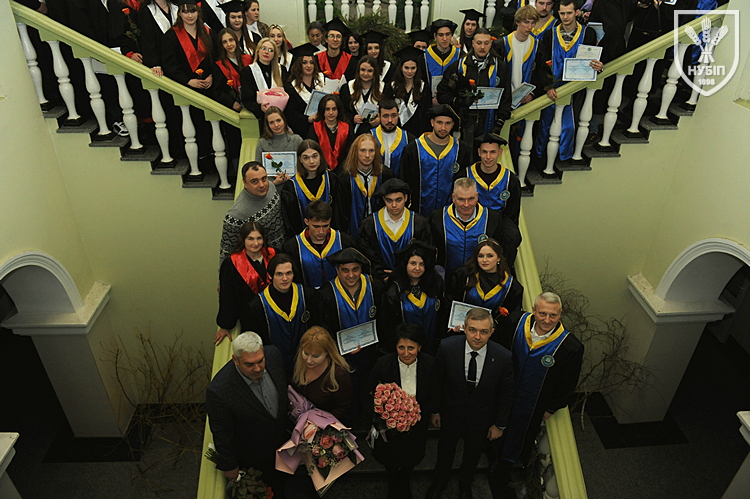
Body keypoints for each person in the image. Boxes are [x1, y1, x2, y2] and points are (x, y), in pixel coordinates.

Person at [494, 292, 583, 494]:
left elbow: (568, 383)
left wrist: (551, 408)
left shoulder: (570, 347)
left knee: (520, 436)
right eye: (542, 313)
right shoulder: (515, 322)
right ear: (534, 310)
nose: (547, 320)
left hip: (533, 404)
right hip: (504, 393)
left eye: (553, 315)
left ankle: (503, 467)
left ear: (560, 314)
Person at [426, 307, 514, 499]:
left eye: (484, 331)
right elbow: (437, 382)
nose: (477, 336)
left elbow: (506, 394)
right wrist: (435, 411)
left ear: (491, 332)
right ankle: (440, 482)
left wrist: (499, 424)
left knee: (472, 455)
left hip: (481, 418)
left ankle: (465, 485)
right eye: (472, 330)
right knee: (445, 450)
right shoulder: (447, 348)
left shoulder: (503, 357)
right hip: (450, 414)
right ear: (464, 328)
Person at [205, 332, 289, 495]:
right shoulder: (219, 391)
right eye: (249, 364)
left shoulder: (273, 355)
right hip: (255, 456)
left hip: (283, 443)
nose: (257, 368)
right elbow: (222, 433)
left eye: (260, 361)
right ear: (235, 360)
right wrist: (230, 466)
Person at [368, 323, 439, 499]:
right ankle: (393, 481)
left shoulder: (430, 364)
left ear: (419, 347)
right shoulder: (383, 364)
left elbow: (435, 392)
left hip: (417, 423)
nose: (406, 353)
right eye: (401, 347)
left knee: (412, 455)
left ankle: (405, 479)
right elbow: (369, 393)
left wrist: (422, 413)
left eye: (411, 348)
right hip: (388, 425)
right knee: (389, 456)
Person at [318, 247, 384, 425]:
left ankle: (369, 421)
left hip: (371, 353)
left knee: (370, 389)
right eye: (345, 270)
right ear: (337, 270)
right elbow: (324, 327)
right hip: (341, 356)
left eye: (355, 269)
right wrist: (340, 347)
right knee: (348, 392)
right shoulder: (326, 293)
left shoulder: (375, 287)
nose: (351, 275)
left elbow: (384, 320)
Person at [534, 0, 603, 169]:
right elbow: (542, 64)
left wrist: (599, 66)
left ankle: (565, 157)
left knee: (571, 124)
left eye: (569, 13)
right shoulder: (549, 35)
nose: (565, 17)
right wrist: (547, 86)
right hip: (553, 90)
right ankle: (541, 159)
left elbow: (592, 60)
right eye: (562, 13)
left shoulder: (588, 34)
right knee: (546, 125)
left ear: (577, 12)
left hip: (575, 89)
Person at [492, 7, 550, 177]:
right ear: (517, 22)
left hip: (525, 100)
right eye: (526, 22)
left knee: (522, 138)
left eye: (532, 23)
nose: (529, 27)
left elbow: (542, 75)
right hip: (502, 101)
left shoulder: (538, 46)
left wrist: (534, 94)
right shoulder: (501, 44)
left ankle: (517, 173)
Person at [428, 177, 521, 278]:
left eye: (471, 199)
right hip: (446, 279)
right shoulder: (437, 218)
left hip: (480, 281)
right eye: (461, 199)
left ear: (477, 197)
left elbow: (500, 253)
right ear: (453, 198)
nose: (466, 204)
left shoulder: (493, 219)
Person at [246, 254, 318, 375]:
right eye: (279, 274)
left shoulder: (308, 295)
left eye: (288, 273)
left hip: (307, 363)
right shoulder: (257, 306)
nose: (285, 278)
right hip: (274, 367)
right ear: (270, 275)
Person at [437, 28, 512, 143]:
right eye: (479, 43)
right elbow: (442, 95)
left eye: (486, 43)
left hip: (488, 123)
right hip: (462, 124)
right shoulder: (458, 67)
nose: (482, 47)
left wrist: (499, 123)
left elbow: (506, 98)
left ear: (491, 44)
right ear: (473, 43)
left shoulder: (500, 68)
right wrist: (460, 101)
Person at [399, 104, 471, 216]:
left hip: (450, 214)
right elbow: (404, 181)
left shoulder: (461, 150)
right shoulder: (413, 149)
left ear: (453, 124)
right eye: (439, 122)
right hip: (418, 213)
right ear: (432, 122)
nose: (443, 128)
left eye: (448, 123)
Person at [447, 238, 523, 342]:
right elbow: (449, 302)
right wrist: (452, 323)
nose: (484, 260)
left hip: (492, 337)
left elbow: (511, 318)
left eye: (490, 256)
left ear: (499, 258)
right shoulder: (463, 275)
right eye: (480, 256)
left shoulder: (512, 286)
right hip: (461, 332)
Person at [357, 178, 431, 282]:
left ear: (406, 198)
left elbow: (424, 253)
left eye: (398, 200)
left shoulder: (419, 223)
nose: (394, 205)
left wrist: (403, 274)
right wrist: (381, 274)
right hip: (380, 281)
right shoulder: (369, 224)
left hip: (410, 280)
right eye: (389, 200)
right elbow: (367, 254)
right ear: (383, 199)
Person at [380, 241, 446, 355]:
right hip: (406, 352)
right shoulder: (394, 290)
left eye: (422, 264)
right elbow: (388, 327)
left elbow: (442, 315)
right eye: (413, 263)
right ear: (405, 264)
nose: (417, 268)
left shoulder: (435, 284)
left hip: (432, 347)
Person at [216, 221, 276, 345]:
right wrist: (225, 325)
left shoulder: (274, 255)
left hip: (275, 315)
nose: (256, 243)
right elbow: (227, 296)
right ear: (243, 240)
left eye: (259, 238)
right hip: (250, 319)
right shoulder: (231, 264)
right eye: (250, 239)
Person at [219, 161, 286, 265]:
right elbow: (227, 251)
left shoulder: (271, 187)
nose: (262, 185)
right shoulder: (236, 215)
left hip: (282, 253)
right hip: (259, 264)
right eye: (254, 181)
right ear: (245, 183)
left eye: (264, 179)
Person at [282, 200, 355, 288]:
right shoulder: (292, 247)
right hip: (307, 294)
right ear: (306, 221)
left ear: (330, 220)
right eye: (316, 226)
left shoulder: (345, 242)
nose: (321, 231)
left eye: (325, 226)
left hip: (338, 293)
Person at [455, 133, 521, 225]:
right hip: (470, 227)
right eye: (484, 152)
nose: (488, 157)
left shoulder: (510, 180)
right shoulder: (465, 175)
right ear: (479, 152)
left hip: (499, 229)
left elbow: (512, 215)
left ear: (500, 152)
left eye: (493, 152)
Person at [281, 141, 343, 236]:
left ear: (320, 156)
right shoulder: (291, 187)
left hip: (330, 236)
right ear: (300, 159)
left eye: (315, 156)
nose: (311, 161)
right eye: (306, 158)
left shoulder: (331, 179)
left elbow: (339, 213)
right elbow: (290, 222)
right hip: (303, 239)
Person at [292, 326, 353, 421]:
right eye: (306, 353)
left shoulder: (339, 374)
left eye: (315, 356)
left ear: (327, 353)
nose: (308, 360)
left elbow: (343, 407)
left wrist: (320, 423)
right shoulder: (300, 361)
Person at [338, 134, 394, 235]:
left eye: (371, 151)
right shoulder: (344, 178)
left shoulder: (386, 175)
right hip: (352, 232)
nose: (367, 155)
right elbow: (341, 214)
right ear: (355, 152)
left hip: (380, 232)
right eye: (363, 150)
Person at [386, 48, 432, 138]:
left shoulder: (423, 87)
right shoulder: (392, 87)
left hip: (418, 133)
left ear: (417, 68)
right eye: (406, 68)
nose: (410, 71)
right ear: (401, 68)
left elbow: (427, 112)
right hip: (395, 132)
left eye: (413, 68)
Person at [240, 37, 288, 121]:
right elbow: (246, 99)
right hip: (260, 116)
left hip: (281, 115)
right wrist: (259, 107)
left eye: (271, 50)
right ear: (258, 51)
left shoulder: (281, 70)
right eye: (263, 48)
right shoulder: (248, 71)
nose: (266, 52)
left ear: (274, 55)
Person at [254, 106, 302, 184]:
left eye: (278, 120)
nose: (276, 125)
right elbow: (257, 171)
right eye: (271, 122)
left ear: (284, 120)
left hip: (295, 184)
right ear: (267, 125)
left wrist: (292, 178)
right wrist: (274, 183)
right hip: (270, 186)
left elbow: (304, 165)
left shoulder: (297, 140)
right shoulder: (262, 143)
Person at [307, 94, 353, 173]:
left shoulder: (347, 127)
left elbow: (350, 152)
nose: (331, 112)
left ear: (338, 110)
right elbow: (311, 151)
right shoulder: (315, 128)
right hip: (320, 169)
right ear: (322, 111)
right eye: (327, 109)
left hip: (344, 170)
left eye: (334, 109)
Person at [339, 55, 385, 135]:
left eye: (370, 71)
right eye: (362, 70)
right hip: (353, 132)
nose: (365, 74)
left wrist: (380, 118)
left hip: (377, 133)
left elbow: (388, 109)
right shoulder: (347, 88)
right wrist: (352, 118)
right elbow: (342, 110)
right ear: (358, 70)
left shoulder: (384, 89)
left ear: (375, 72)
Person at [369, 99, 416, 178]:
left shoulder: (408, 139)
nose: (390, 120)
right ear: (379, 116)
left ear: (398, 115)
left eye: (393, 116)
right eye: (385, 116)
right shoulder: (369, 137)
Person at [213, 29, 252, 112]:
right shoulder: (219, 65)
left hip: (252, 102)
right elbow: (218, 91)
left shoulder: (248, 59)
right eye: (224, 42)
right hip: (235, 107)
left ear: (236, 40)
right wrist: (232, 103)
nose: (229, 44)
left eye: (231, 40)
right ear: (221, 45)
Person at [138, 0, 179, 77]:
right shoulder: (146, 10)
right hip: (161, 60)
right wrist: (154, 63)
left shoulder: (176, 6)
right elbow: (148, 39)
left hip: (178, 59)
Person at [424, 19, 460, 105]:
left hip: (452, 103)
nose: (445, 38)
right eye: (441, 35)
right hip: (428, 103)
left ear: (451, 35)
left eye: (448, 34)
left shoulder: (460, 55)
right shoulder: (424, 56)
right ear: (435, 36)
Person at [317, 17, 356, 82]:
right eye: (331, 36)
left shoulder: (352, 61)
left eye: (338, 36)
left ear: (341, 40)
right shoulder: (317, 59)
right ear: (326, 39)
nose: (335, 39)